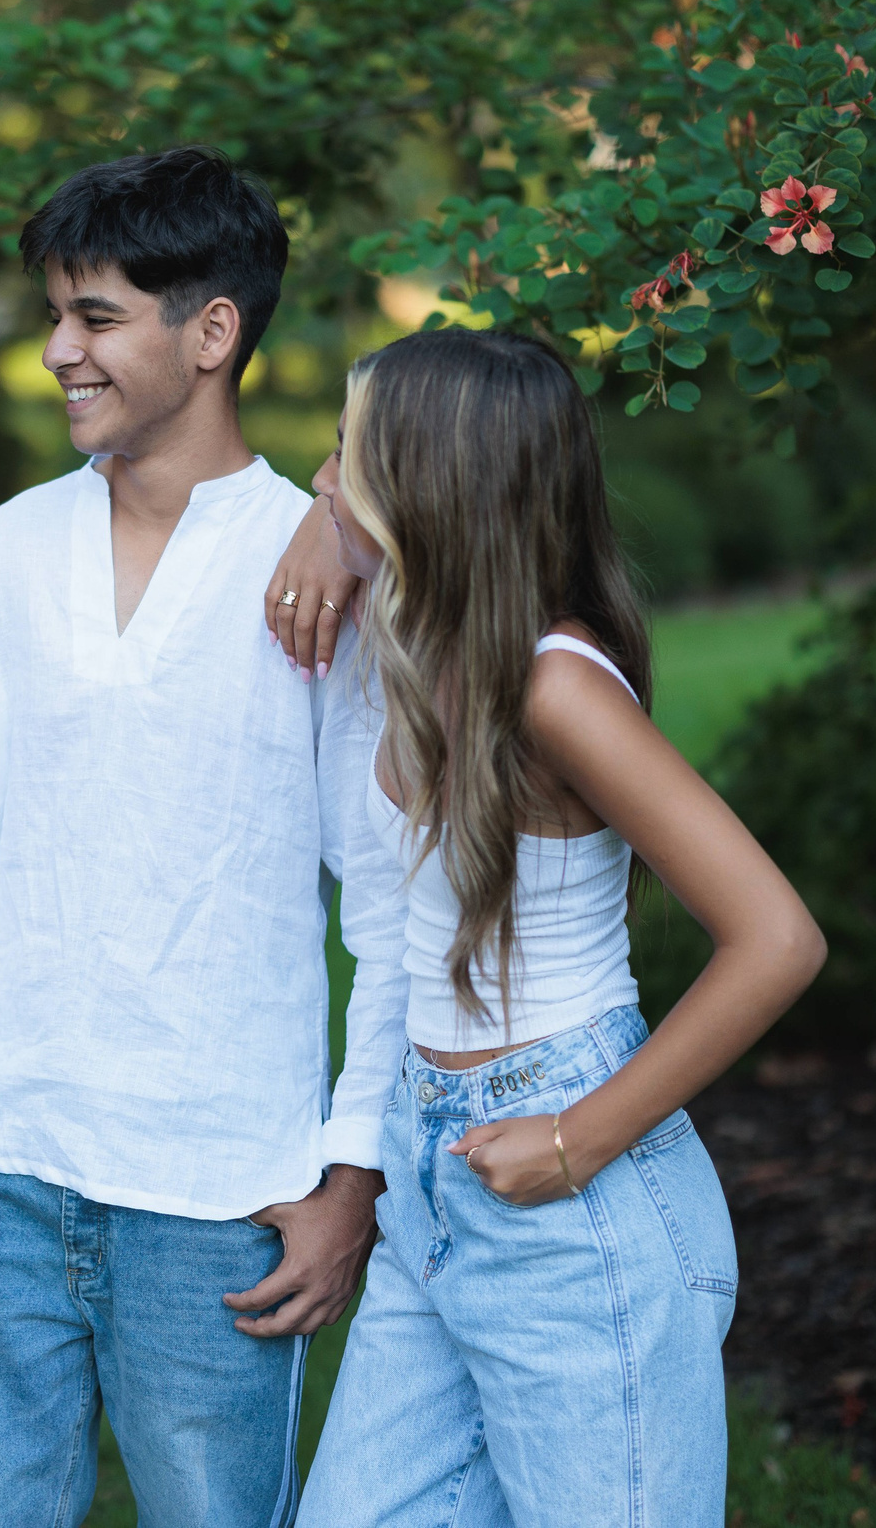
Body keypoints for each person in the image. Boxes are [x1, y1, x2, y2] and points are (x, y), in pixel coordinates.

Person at [0, 145, 412, 1527]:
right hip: (5, 1166)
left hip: (221, 1190)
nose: (58, 350)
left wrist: (354, 1171)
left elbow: (398, 902)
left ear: (212, 330)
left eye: (96, 316)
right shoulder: (1, 552)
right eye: (58, 314)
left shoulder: (319, 569)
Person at [290, 328, 828, 1527]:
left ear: (427, 487)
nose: (322, 477)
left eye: (346, 453)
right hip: (436, 1180)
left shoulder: (554, 689)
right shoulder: (424, 646)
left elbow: (776, 938)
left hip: (570, 1200)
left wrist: (580, 1139)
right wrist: (324, 527)